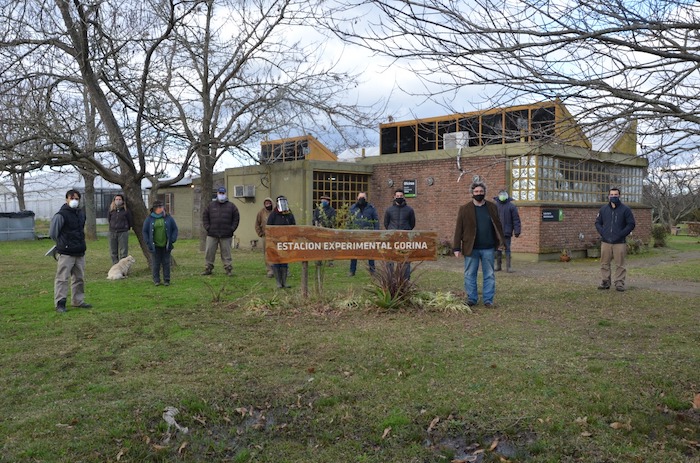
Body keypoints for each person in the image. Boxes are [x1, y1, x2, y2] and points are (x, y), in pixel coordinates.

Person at [453, 182, 505, 308]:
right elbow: (458, 229)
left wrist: (501, 242)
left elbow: (498, 226)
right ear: (472, 193)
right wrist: (456, 247)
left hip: (488, 247)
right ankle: (472, 298)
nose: (479, 194)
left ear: (484, 192)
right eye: (476, 192)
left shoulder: (492, 207)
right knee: (470, 274)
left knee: (489, 275)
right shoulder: (464, 209)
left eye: (481, 192)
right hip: (471, 248)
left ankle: (488, 300)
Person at [49, 189, 92, 313]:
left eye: (77, 199)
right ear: (66, 199)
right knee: (62, 278)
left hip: (79, 251)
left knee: (79, 278)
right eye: (72, 198)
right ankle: (60, 303)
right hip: (66, 252)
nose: (74, 201)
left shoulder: (81, 214)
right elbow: (53, 233)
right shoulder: (60, 215)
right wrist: (63, 244)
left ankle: (78, 301)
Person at [595, 187, 636, 291]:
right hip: (606, 242)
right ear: (608, 196)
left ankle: (619, 283)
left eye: (615, 195)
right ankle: (605, 282)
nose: (613, 197)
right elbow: (597, 222)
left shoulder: (625, 209)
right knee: (604, 263)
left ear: (619, 196)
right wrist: (603, 232)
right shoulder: (603, 209)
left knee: (620, 264)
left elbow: (631, 224)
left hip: (619, 242)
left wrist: (621, 234)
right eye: (612, 195)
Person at [201, 186, 240, 276]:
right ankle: (208, 268)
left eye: (223, 193)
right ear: (217, 194)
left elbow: (236, 219)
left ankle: (228, 269)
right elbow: (205, 217)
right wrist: (208, 227)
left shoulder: (232, 206)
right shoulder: (211, 205)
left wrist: (231, 229)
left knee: (226, 253)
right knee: (209, 252)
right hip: (212, 234)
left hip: (226, 234)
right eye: (220, 193)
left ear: (225, 194)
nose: (221, 195)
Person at [142, 200, 178, 286]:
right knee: (156, 263)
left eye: (161, 207)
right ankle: (156, 280)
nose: (161, 209)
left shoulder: (168, 218)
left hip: (166, 244)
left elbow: (175, 229)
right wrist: (147, 241)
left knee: (166, 262)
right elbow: (145, 231)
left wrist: (173, 239)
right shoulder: (149, 219)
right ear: (154, 209)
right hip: (154, 245)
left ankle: (166, 280)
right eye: (159, 207)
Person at [383, 189, 416, 279]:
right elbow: (386, 223)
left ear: (403, 197)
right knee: (390, 259)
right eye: (397, 196)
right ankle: (390, 278)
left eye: (401, 196)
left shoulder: (409, 210)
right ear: (394, 197)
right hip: (392, 237)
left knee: (405, 259)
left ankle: (405, 279)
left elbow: (412, 223)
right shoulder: (389, 210)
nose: (399, 198)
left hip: (405, 238)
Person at [267, 195, 296, 288]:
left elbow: (293, 227)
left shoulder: (289, 214)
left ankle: (284, 282)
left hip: (286, 241)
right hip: (275, 242)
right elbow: (269, 228)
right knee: (276, 261)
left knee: (284, 261)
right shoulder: (273, 214)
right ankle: (278, 282)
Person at [348, 192, 379, 276]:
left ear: (366, 198)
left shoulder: (371, 208)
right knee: (354, 253)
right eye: (360, 197)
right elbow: (349, 221)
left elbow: (376, 221)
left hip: (368, 234)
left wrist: (376, 232)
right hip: (356, 234)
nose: (361, 199)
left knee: (370, 253)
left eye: (363, 197)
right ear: (357, 198)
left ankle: (372, 271)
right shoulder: (353, 208)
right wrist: (348, 233)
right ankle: (352, 271)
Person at [493, 189, 521, 272]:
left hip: (507, 232)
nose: (502, 196)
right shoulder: (495, 206)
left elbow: (516, 220)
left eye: (503, 195)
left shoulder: (511, 206)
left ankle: (508, 267)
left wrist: (517, 231)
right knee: (497, 249)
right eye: (501, 195)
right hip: (496, 232)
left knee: (507, 248)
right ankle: (498, 266)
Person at [108, 194, 134, 265]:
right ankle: (115, 266)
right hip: (112, 232)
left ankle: (123, 266)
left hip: (123, 232)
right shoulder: (111, 210)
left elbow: (130, 220)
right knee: (113, 251)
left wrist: (126, 227)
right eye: (116, 199)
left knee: (123, 251)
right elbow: (109, 219)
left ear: (122, 201)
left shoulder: (126, 211)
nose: (118, 201)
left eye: (119, 199)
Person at [313, 194, 336, 267]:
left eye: (324, 200)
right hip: (319, 231)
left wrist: (326, 225)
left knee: (329, 246)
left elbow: (333, 221)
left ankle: (330, 261)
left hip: (328, 231)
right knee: (319, 246)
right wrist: (317, 224)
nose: (323, 201)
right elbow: (314, 218)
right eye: (322, 200)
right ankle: (319, 260)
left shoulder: (332, 210)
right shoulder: (318, 209)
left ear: (328, 201)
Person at [255, 197, 275, 278]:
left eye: (269, 203)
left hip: (275, 236)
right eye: (266, 204)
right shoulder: (261, 212)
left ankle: (278, 269)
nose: (268, 205)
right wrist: (260, 233)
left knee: (276, 252)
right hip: (265, 236)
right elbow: (257, 224)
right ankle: (269, 270)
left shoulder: (275, 212)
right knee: (267, 253)